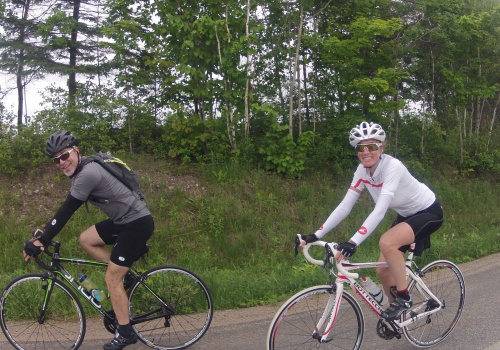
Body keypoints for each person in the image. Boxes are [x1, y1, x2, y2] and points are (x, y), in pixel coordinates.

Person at [23, 130, 155, 350]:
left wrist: (43, 241)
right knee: (86, 239)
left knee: (111, 278)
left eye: (64, 156)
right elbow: (62, 213)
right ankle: (127, 275)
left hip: (136, 223)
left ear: (76, 151)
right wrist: (43, 236)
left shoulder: (88, 173)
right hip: (123, 221)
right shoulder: (81, 171)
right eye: (56, 160)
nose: (61, 163)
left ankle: (125, 333)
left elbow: (66, 211)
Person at [300, 121, 443, 320]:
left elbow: (380, 209)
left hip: (429, 211)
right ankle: (399, 317)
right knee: (383, 272)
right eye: (360, 147)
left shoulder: (392, 166)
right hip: (406, 215)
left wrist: (353, 242)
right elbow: (345, 206)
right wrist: (316, 234)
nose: (366, 152)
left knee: (387, 242)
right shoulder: (361, 171)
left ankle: (404, 297)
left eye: (372, 146)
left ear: (381, 148)